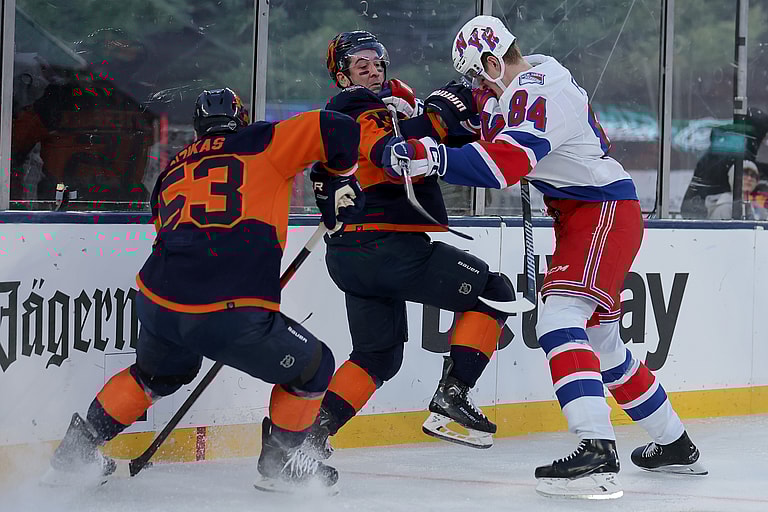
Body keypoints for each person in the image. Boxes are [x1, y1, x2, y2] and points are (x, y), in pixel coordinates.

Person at [383, 15, 707, 499]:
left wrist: (430, 155)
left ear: (493, 62)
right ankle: (674, 444)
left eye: (477, 75)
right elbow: (488, 125)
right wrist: (423, 114)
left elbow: (503, 165)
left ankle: (596, 448)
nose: (476, 87)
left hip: (600, 212)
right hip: (591, 213)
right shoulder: (525, 84)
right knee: (603, 346)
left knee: (558, 318)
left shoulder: (537, 90)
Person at [42, 88, 365, 493]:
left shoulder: (170, 172)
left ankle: (78, 450)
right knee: (314, 367)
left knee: (156, 374)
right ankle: (281, 462)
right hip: (229, 306)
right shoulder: (262, 139)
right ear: (240, 118)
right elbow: (339, 127)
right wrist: (340, 180)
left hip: (158, 300)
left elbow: (170, 232)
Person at [300, 30, 518, 459]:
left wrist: (451, 122)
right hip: (386, 246)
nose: (371, 65)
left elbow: (436, 141)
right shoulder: (353, 105)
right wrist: (434, 119)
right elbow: (392, 154)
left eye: (376, 58)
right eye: (358, 60)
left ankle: (305, 441)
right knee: (494, 291)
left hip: (351, 255)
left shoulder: (385, 104)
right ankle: (452, 395)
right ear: (340, 75)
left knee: (377, 357)